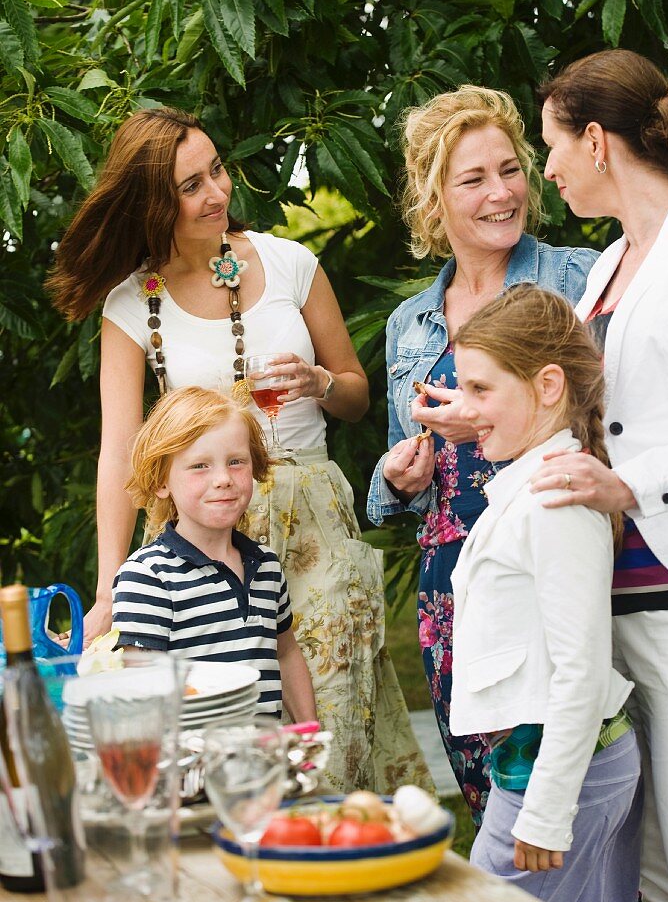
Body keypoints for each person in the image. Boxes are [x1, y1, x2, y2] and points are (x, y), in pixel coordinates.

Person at [47, 105, 432, 795]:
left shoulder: (290, 262)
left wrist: (318, 382)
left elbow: (355, 395)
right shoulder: (134, 304)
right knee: (212, 745)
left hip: (312, 523)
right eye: (190, 186)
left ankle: (341, 871)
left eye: (216, 170)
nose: (216, 193)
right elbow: (119, 452)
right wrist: (109, 586)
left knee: (327, 734)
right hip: (199, 537)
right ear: (152, 204)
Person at [531, 49, 668, 902]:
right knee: (655, 886)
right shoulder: (606, 263)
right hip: (612, 611)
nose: (548, 170)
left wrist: (634, 486)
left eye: (552, 145)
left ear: (597, 141)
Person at [367, 86, 597, 819]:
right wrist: (400, 479)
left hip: (550, 553)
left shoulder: (579, 277)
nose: (501, 193)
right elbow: (387, 484)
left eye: (510, 169)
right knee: (488, 788)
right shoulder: (409, 323)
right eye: (473, 180)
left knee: (570, 786)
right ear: (433, 198)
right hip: (452, 578)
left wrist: (498, 424)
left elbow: (611, 423)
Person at [450, 285, 641, 902]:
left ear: (548, 385)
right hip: (557, 765)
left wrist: (546, 812)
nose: (464, 409)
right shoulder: (529, 482)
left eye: (480, 387)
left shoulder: (555, 499)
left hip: (559, 773)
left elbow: (580, 670)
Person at [112, 386, 316, 722]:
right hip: (194, 768)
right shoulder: (148, 577)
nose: (223, 479)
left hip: (264, 764)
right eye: (200, 466)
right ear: (162, 481)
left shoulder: (266, 567)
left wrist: (309, 732)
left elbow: (286, 653)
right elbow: (141, 694)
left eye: (236, 462)